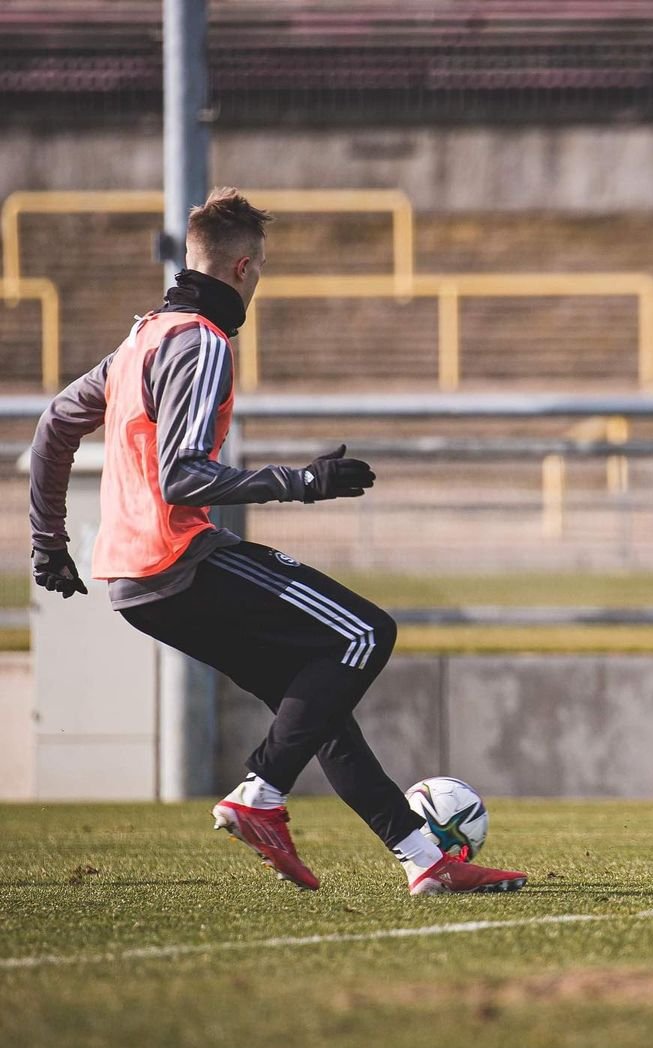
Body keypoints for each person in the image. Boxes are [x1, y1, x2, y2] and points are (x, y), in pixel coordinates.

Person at [28, 187, 526, 897]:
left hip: (133, 583)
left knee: (315, 705)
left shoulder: (141, 339)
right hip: (178, 561)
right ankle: (260, 795)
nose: (258, 281)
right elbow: (182, 477)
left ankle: (425, 858)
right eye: (259, 269)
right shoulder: (201, 343)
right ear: (240, 268)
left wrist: (50, 542)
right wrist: (304, 481)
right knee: (365, 634)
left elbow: (53, 423)